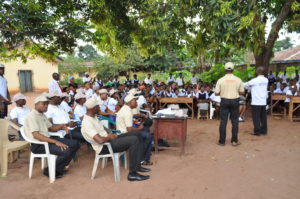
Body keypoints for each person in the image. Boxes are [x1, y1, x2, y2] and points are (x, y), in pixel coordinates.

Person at [81, 97, 150, 181]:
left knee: (137, 134)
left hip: (110, 139)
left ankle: (138, 166)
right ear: (93, 108)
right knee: (134, 140)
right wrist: (109, 137)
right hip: (104, 146)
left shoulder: (93, 116)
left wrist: (109, 132)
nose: (99, 108)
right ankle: (132, 173)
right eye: (98, 106)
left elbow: (102, 128)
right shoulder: (87, 123)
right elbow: (100, 140)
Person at [24, 93, 79, 178]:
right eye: (44, 104)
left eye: (47, 104)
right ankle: (50, 170)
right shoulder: (32, 116)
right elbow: (36, 135)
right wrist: (56, 142)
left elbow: (51, 128)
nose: (46, 106)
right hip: (38, 145)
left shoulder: (42, 115)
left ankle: (57, 168)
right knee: (66, 151)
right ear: (36, 104)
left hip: (47, 140)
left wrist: (62, 125)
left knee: (75, 144)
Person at [117, 94, 153, 166]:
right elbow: (129, 130)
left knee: (146, 131)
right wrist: (139, 128)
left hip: (124, 132)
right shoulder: (127, 112)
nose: (137, 102)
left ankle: (143, 156)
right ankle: (142, 158)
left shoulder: (125, 108)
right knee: (148, 136)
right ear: (131, 102)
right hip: (124, 135)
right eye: (135, 101)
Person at [215, 62, 244, 146]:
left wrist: (224, 92)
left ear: (225, 70)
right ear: (233, 69)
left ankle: (222, 141)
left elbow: (216, 93)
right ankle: (234, 141)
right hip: (235, 101)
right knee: (235, 121)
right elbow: (242, 92)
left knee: (223, 121)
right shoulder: (238, 80)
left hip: (224, 101)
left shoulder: (220, 80)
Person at [244, 67, 268, 136]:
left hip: (256, 102)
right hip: (263, 102)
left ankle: (257, 131)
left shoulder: (255, 80)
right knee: (263, 117)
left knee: (256, 117)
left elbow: (245, 85)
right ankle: (264, 131)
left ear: (257, 72)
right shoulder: (266, 80)